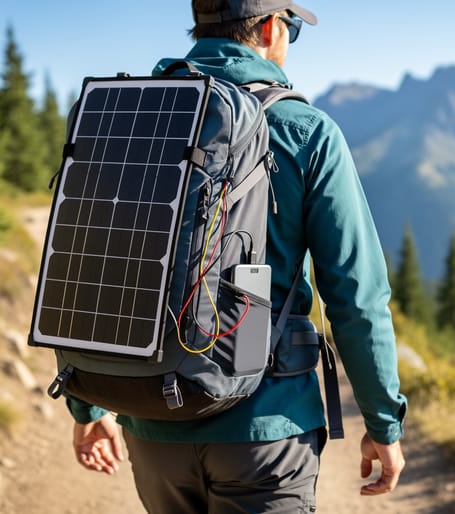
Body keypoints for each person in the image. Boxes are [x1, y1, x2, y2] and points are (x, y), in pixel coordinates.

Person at [66, 1, 407, 511]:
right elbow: (357, 296)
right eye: (291, 28)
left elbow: (95, 258)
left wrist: (86, 406)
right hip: (265, 425)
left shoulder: (138, 116)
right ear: (271, 27)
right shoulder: (307, 131)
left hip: (152, 420)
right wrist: (383, 423)